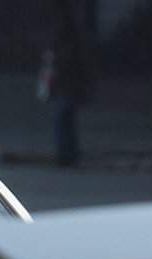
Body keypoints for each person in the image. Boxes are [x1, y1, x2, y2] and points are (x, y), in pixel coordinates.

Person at [43, 5, 93, 168]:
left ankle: (67, 155)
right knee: (65, 120)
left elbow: (68, 64)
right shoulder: (69, 40)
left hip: (67, 86)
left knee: (63, 119)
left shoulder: (67, 43)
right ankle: (68, 154)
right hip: (68, 86)